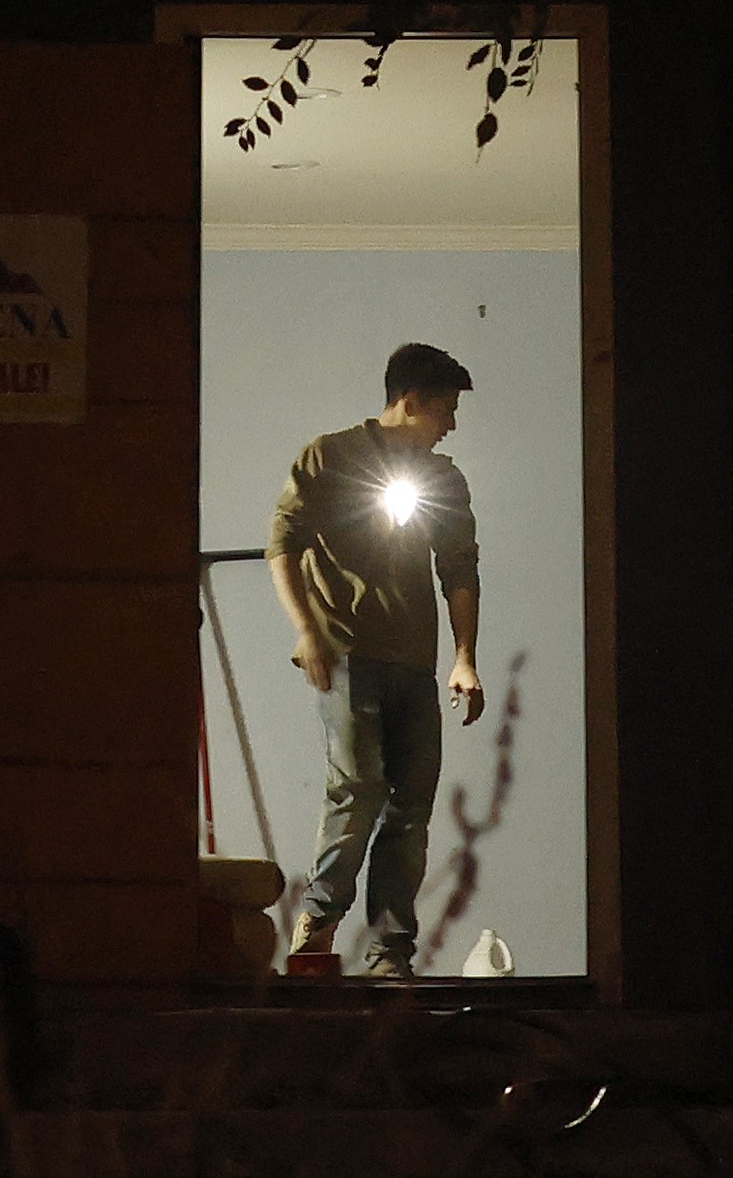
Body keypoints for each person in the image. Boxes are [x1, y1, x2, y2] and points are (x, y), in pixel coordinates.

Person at [267, 341, 486, 984]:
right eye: (443, 409)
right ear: (409, 402)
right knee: (359, 784)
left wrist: (465, 657)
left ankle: (390, 952)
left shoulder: (443, 479)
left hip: (414, 663)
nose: (451, 424)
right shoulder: (330, 457)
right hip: (348, 653)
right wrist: (307, 632)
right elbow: (281, 544)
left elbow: (460, 569)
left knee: (411, 805)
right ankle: (319, 922)